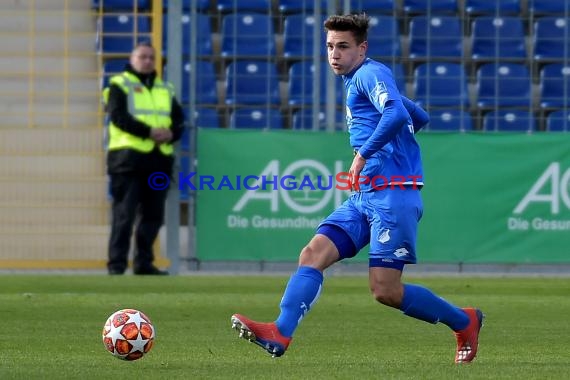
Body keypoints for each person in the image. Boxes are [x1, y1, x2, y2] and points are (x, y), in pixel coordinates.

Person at [230, 13, 483, 363]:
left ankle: (464, 320)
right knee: (313, 254)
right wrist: (397, 147)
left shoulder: (368, 73)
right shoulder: (358, 78)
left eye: (343, 46)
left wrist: (365, 155)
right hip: (365, 196)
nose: (334, 53)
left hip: (393, 196)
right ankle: (280, 332)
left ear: (361, 48)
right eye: (330, 46)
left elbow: (395, 114)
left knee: (385, 291)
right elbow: (417, 117)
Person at [104, 42, 185, 275]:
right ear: (132, 59)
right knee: (124, 215)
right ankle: (117, 265)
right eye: (143, 57)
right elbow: (118, 117)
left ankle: (143, 263)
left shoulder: (164, 88)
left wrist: (171, 133)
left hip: (158, 161)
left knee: (153, 216)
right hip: (127, 161)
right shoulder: (119, 84)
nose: (148, 61)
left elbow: (179, 120)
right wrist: (150, 132)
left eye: (151, 57)